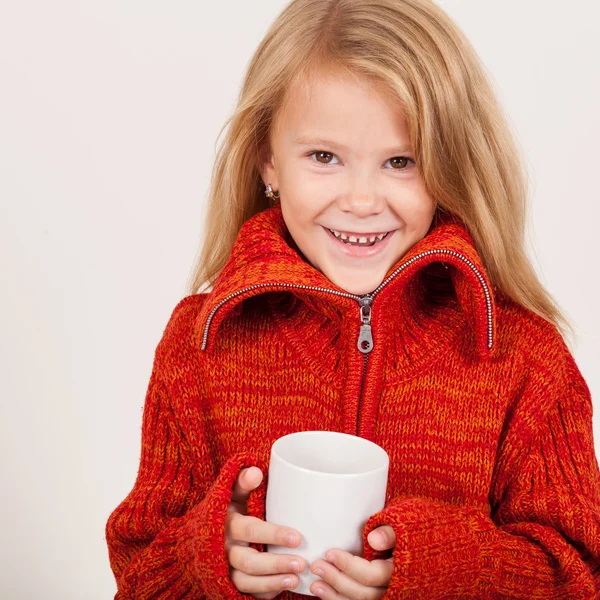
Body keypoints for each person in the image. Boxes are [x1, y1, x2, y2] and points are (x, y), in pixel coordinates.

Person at [105, 0, 600, 598]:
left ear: (450, 165)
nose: (362, 200)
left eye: (401, 161)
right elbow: (136, 574)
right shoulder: (198, 343)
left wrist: (444, 568)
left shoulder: (524, 358)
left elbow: (581, 574)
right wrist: (208, 559)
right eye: (323, 157)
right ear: (268, 160)